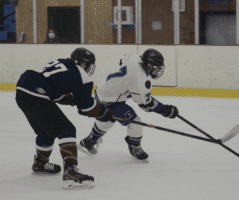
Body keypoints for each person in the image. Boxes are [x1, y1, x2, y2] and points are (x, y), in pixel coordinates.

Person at [15, 48, 114, 189]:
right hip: (37, 94)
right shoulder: (81, 75)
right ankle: (71, 171)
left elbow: (55, 92)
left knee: (46, 132)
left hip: (23, 90)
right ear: (82, 63)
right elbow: (87, 108)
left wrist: (74, 101)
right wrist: (103, 112)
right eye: (88, 64)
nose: (90, 68)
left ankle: (40, 164)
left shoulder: (63, 62)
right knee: (67, 130)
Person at [78, 48, 179, 162]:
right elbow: (146, 105)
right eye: (157, 67)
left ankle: (90, 139)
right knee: (136, 123)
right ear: (149, 65)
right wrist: (165, 110)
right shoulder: (139, 79)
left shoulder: (135, 58)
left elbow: (123, 59)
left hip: (102, 90)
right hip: (111, 100)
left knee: (107, 120)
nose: (158, 70)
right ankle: (134, 147)